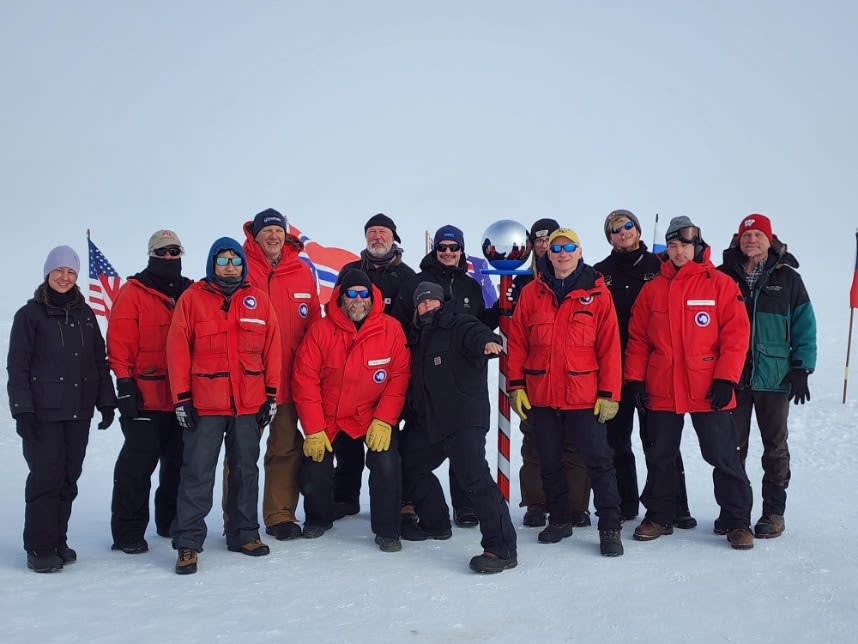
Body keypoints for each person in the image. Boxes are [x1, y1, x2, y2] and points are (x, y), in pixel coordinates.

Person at [625, 216, 755, 550]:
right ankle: (659, 515)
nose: (678, 251)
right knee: (661, 455)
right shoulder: (653, 289)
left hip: (708, 387)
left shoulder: (720, 284)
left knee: (723, 455)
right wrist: (635, 379)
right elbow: (638, 338)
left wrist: (727, 377)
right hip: (663, 387)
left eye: (684, 245)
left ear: (697, 247)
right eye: (672, 245)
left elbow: (736, 334)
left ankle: (737, 521)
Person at [507, 228, 625, 557]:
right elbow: (517, 342)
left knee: (598, 461)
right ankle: (558, 519)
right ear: (548, 254)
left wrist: (609, 392)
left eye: (568, 247)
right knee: (548, 458)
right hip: (541, 393)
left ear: (579, 251)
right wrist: (516, 385)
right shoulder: (532, 293)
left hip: (583, 394)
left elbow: (609, 347)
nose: (562, 253)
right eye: (556, 248)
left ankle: (610, 527)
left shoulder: (597, 293)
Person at [167, 237, 282, 574]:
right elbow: (177, 351)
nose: (230, 266)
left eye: (235, 260)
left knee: (246, 470)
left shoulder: (258, 301)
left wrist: (271, 395)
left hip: (248, 403)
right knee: (197, 474)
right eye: (223, 260)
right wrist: (182, 399)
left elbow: (272, 349)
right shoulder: (192, 300)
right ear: (211, 265)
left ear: (244, 265)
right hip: (205, 405)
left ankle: (244, 533)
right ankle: (188, 542)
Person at [7, 245, 116, 573]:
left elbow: (98, 362)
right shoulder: (30, 316)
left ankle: (57, 540)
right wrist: (22, 410)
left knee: (69, 478)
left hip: (78, 412)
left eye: (71, 272)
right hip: (43, 415)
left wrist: (106, 401)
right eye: (59, 271)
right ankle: (39, 548)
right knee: (46, 478)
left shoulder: (85, 315)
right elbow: (19, 367)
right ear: (48, 273)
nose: (65, 277)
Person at [401, 281, 518, 572]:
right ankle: (436, 522)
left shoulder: (458, 323)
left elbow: (476, 334)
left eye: (432, 301)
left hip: (464, 418)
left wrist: (487, 343)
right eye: (422, 303)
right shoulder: (417, 336)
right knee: (408, 461)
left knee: (474, 479)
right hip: (431, 422)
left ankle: (501, 548)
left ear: (443, 301)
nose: (427, 306)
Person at [292, 269, 410, 552]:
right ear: (341, 297)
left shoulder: (391, 328)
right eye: (351, 294)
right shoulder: (321, 330)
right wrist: (314, 428)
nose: (358, 300)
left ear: (372, 297)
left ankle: (388, 529)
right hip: (330, 415)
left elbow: (399, 378)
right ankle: (319, 518)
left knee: (386, 463)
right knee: (315, 463)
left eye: (363, 294)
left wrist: (384, 420)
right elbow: (304, 379)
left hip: (372, 414)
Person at [593, 210, 696, 528]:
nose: (622, 232)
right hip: (614, 368)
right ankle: (625, 503)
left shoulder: (661, 266)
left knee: (661, 441)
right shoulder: (600, 273)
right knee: (616, 440)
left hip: (656, 368)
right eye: (614, 229)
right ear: (609, 237)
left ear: (637, 230)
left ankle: (675, 505)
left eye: (627, 226)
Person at [717, 213, 816, 539]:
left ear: (769, 239)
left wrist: (802, 366)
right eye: (746, 235)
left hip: (774, 376)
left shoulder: (787, 279)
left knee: (775, 448)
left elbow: (804, 324)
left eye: (758, 235)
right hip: (733, 376)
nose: (751, 240)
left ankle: (773, 512)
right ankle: (734, 513)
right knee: (731, 449)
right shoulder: (722, 276)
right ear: (738, 239)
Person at [393, 224, 498, 528]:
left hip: (464, 379)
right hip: (425, 375)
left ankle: (465, 505)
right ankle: (411, 501)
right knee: (418, 442)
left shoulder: (471, 286)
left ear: (462, 251)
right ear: (434, 250)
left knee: (466, 446)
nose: (448, 253)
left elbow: (476, 325)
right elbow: (400, 325)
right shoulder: (417, 283)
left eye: (454, 248)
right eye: (442, 248)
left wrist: (499, 316)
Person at [107, 230, 192, 555]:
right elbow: (119, 341)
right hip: (144, 396)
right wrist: (125, 384)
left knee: (178, 464)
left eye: (174, 251)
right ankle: (128, 531)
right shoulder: (133, 292)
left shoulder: (190, 291)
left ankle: (168, 520)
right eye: (162, 251)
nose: (169, 257)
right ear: (151, 254)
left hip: (182, 396)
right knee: (137, 467)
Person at [238, 208, 321, 541]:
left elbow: (314, 323)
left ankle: (280, 514)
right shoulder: (239, 267)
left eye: (278, 231)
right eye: (266, 231)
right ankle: (238, 519)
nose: (273, 237)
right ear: (254, 235)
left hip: (288, 381)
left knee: (285, 448)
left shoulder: (301, 271)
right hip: (248, 381)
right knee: (243, 453)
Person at [506, 218, 591, 529]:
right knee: (535, 445)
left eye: (552, 240)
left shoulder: (584, 279)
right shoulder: (524, 283)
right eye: (539, 239)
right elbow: (517, 340)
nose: (545, 245)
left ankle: (576, 505)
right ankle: (536, 502)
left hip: (575, 381)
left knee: (574, 445)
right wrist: (517, 383)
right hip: (537, 380)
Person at [333, 213, 416, 519]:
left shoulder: (408, 276)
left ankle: (401, 498)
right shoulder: (350, 271)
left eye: (383, 232)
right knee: (347, 440)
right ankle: (344, 497)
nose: (377, 237)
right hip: (352, 368)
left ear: (394, 237)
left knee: (393, 442)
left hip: (394, 367)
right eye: (372, 232)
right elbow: (335, 313)